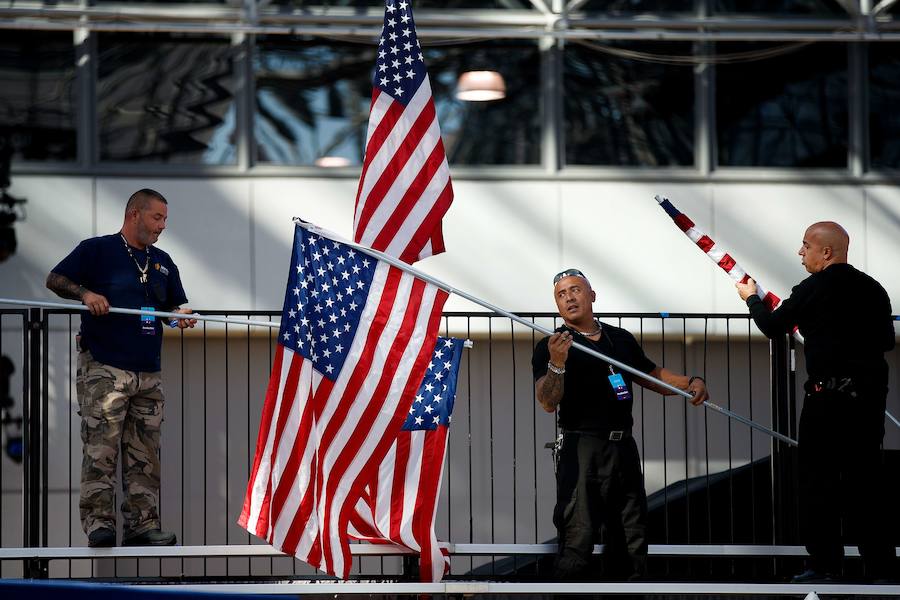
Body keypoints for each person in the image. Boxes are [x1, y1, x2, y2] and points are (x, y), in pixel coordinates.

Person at [736, 221, 897, 583]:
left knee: (818, 484)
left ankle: (825, 565)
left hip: (826, 400)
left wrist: (751, 298)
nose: (800, 252)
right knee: (866, 484)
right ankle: (882, 569)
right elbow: (886, 340)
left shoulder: (812, 288)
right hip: (867, 401)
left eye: (806, 245)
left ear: (827, 252)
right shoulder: (873, 290)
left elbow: (774, 327)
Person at [532, 268, 709, 581]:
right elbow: (547, 402)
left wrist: (690, 382)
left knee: (631, 533)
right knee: (578, 535)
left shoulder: (621, 338)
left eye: (575, 289)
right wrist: (557, 364)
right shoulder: (553, 344)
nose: (569, 297)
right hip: (581, 446)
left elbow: (651, 375)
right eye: (561, 294)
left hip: (623, 446)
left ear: (592, 295)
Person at [46, 189, 196, 548]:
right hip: (105, 366)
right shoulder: (97, 250)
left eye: (164, 220)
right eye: (156, 218)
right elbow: (55, 279)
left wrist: (181, 317)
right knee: (102, 447)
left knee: (145, 451)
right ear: (134, 214)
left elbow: (177, 307)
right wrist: (86, 295)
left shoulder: (162, 261)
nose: (162, 226)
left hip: (148, 370)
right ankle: (99, 524)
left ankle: (142, 525)